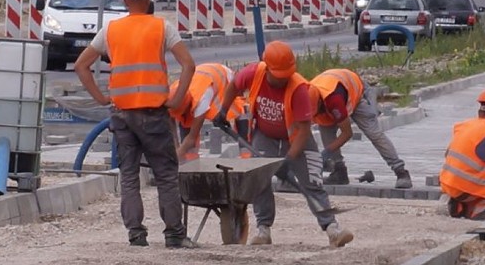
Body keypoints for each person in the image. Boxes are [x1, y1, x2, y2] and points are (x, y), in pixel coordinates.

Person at [74, 0, 197, 248]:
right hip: (154, 114)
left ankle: (136, 234)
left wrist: (101, 98)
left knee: (129, 175)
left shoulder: (111, 30)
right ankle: (174, 234)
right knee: (165, 175)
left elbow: (81, 66)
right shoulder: (162, 27)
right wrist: (176, 101)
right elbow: (189, 65)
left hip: (121, 114)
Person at [216, 41, 354, 248]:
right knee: (259, 178)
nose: (282, 80)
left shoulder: (299, 89)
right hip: (265, 133)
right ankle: (263, 230)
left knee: (312, 182)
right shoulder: (253, 73)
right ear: (267, 67)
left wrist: (289, 160)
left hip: (297, 138)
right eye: (278, 76)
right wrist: (222, 111)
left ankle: (332, 229)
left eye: (286, 75)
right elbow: (234, 86)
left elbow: (304, 130)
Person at [308, 68, 412, 188]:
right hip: (332, 90)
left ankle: (401, 172)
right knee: (326, 132)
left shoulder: (334, 100)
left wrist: (326, 153)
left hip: (356, 93)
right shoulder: (305, 97)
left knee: (374, 133)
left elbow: (347, 133)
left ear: (319, 103)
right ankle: (339, 173)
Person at [439, 88, 485, 220]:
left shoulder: (464, 125)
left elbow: (447, 154)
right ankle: (481, 208)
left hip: (448, 185)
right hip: (466, 189)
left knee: (484, 166)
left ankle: (461, 206)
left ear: (480, 111)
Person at [168, 62, 248, 160]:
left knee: (239, 110)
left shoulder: (201, 101)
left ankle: (246, 154)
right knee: (186, 122)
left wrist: (178, 155)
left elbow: (192, 138)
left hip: (223, 77)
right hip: (203, 77)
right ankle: (190, 161)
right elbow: (170, 124)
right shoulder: (172, 95)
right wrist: (175, 148)